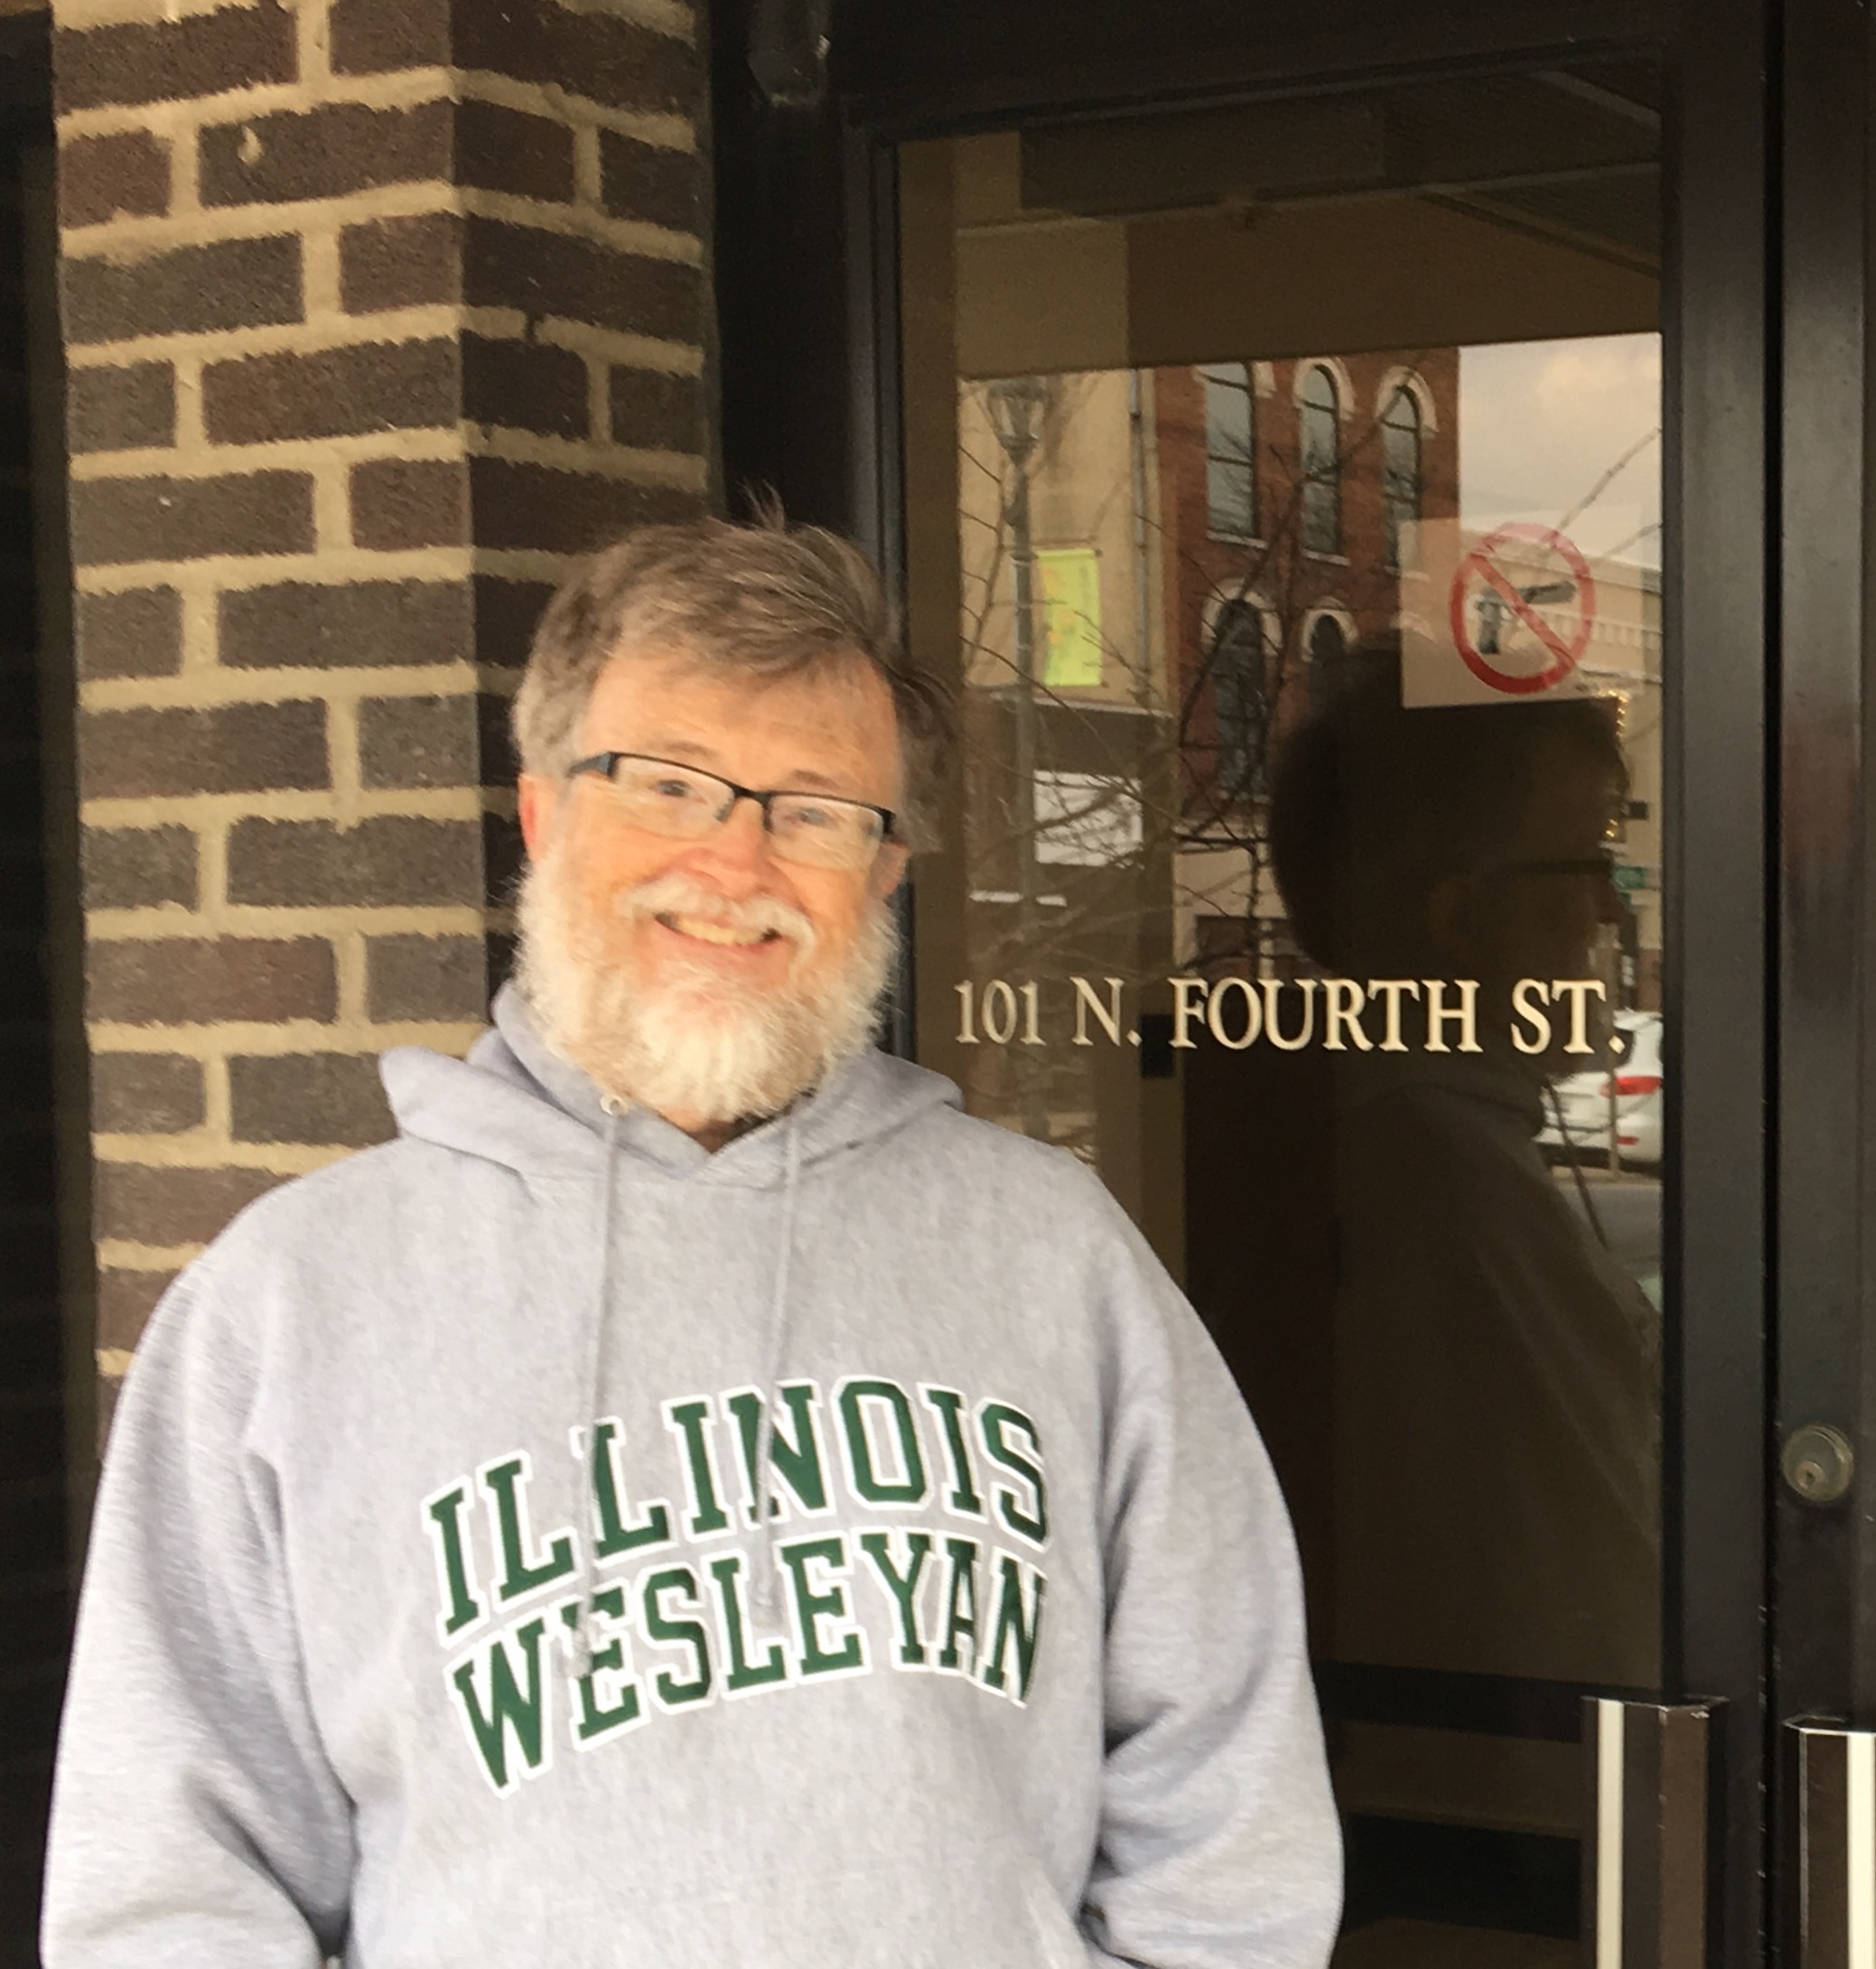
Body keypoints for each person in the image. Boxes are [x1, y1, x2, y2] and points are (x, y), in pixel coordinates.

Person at [41, 518, 1339, 1966]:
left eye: (815, 810)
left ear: (885, 871)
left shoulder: (1052, 1257)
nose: (735, 864)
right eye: (666, 784)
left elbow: (1228, 1801)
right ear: (543, 813)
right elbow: (170, 1884)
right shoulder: (289, 1304)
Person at [1265, 642, 1658, 1691]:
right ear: (1461, 920)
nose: (1609, 909)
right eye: (1584, 865)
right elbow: (1602, 1603)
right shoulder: (1449, 1194)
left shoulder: (1373, 1144)